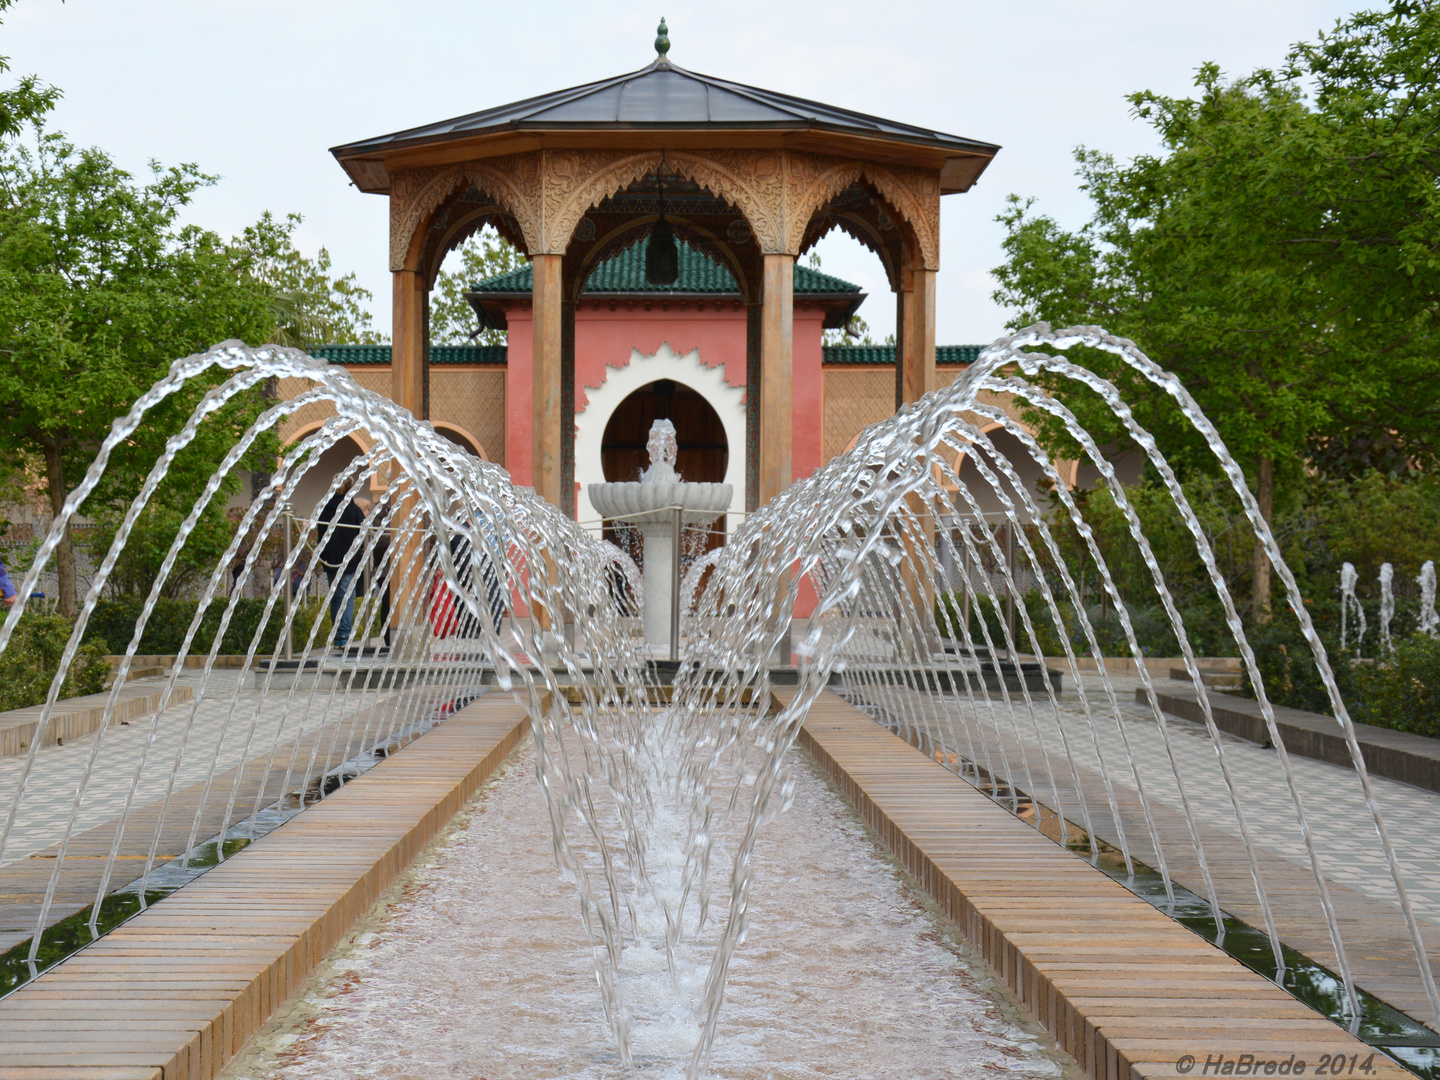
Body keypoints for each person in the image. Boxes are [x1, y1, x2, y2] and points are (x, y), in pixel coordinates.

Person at [314, 488, 371, 652]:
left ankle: (337, 636)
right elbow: (362, 533)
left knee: (337, 597)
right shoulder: (352, 509)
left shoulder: (326, 508)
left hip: (330, 559)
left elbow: (320, 533)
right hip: (349, 560)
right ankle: (344, 636)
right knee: (347, 597)